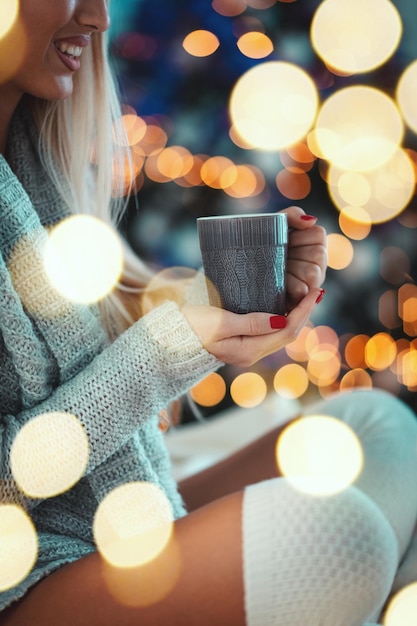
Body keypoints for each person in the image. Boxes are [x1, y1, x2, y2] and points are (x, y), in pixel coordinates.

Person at [0, 2, 417, 625]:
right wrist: (172, 350)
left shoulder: (33, 168)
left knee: (379, 430)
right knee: (337, 535)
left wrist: (223, 304)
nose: (98, 17)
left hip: (104, 511)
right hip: (30, 569)